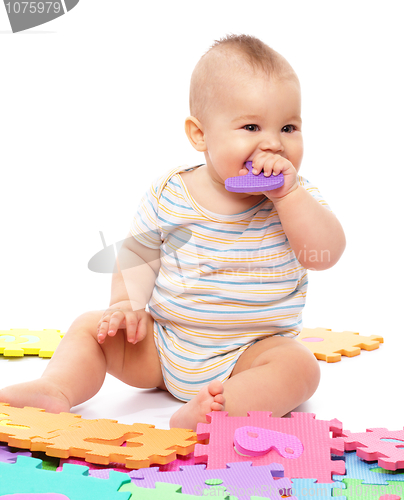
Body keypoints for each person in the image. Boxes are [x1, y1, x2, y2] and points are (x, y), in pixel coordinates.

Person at [0, 34, 345, 431]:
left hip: (250, 353)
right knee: (89, 327)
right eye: (251, 126)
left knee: (299, 367)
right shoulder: (170, 194)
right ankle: (56, 389)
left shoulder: (298, 198)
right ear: (200, 135)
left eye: (289, 127)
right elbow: (138, 253)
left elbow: (326, 253)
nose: (273, 143)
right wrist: (125, 305)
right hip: (163, 346)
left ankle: (218, 410)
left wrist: (289, 198)